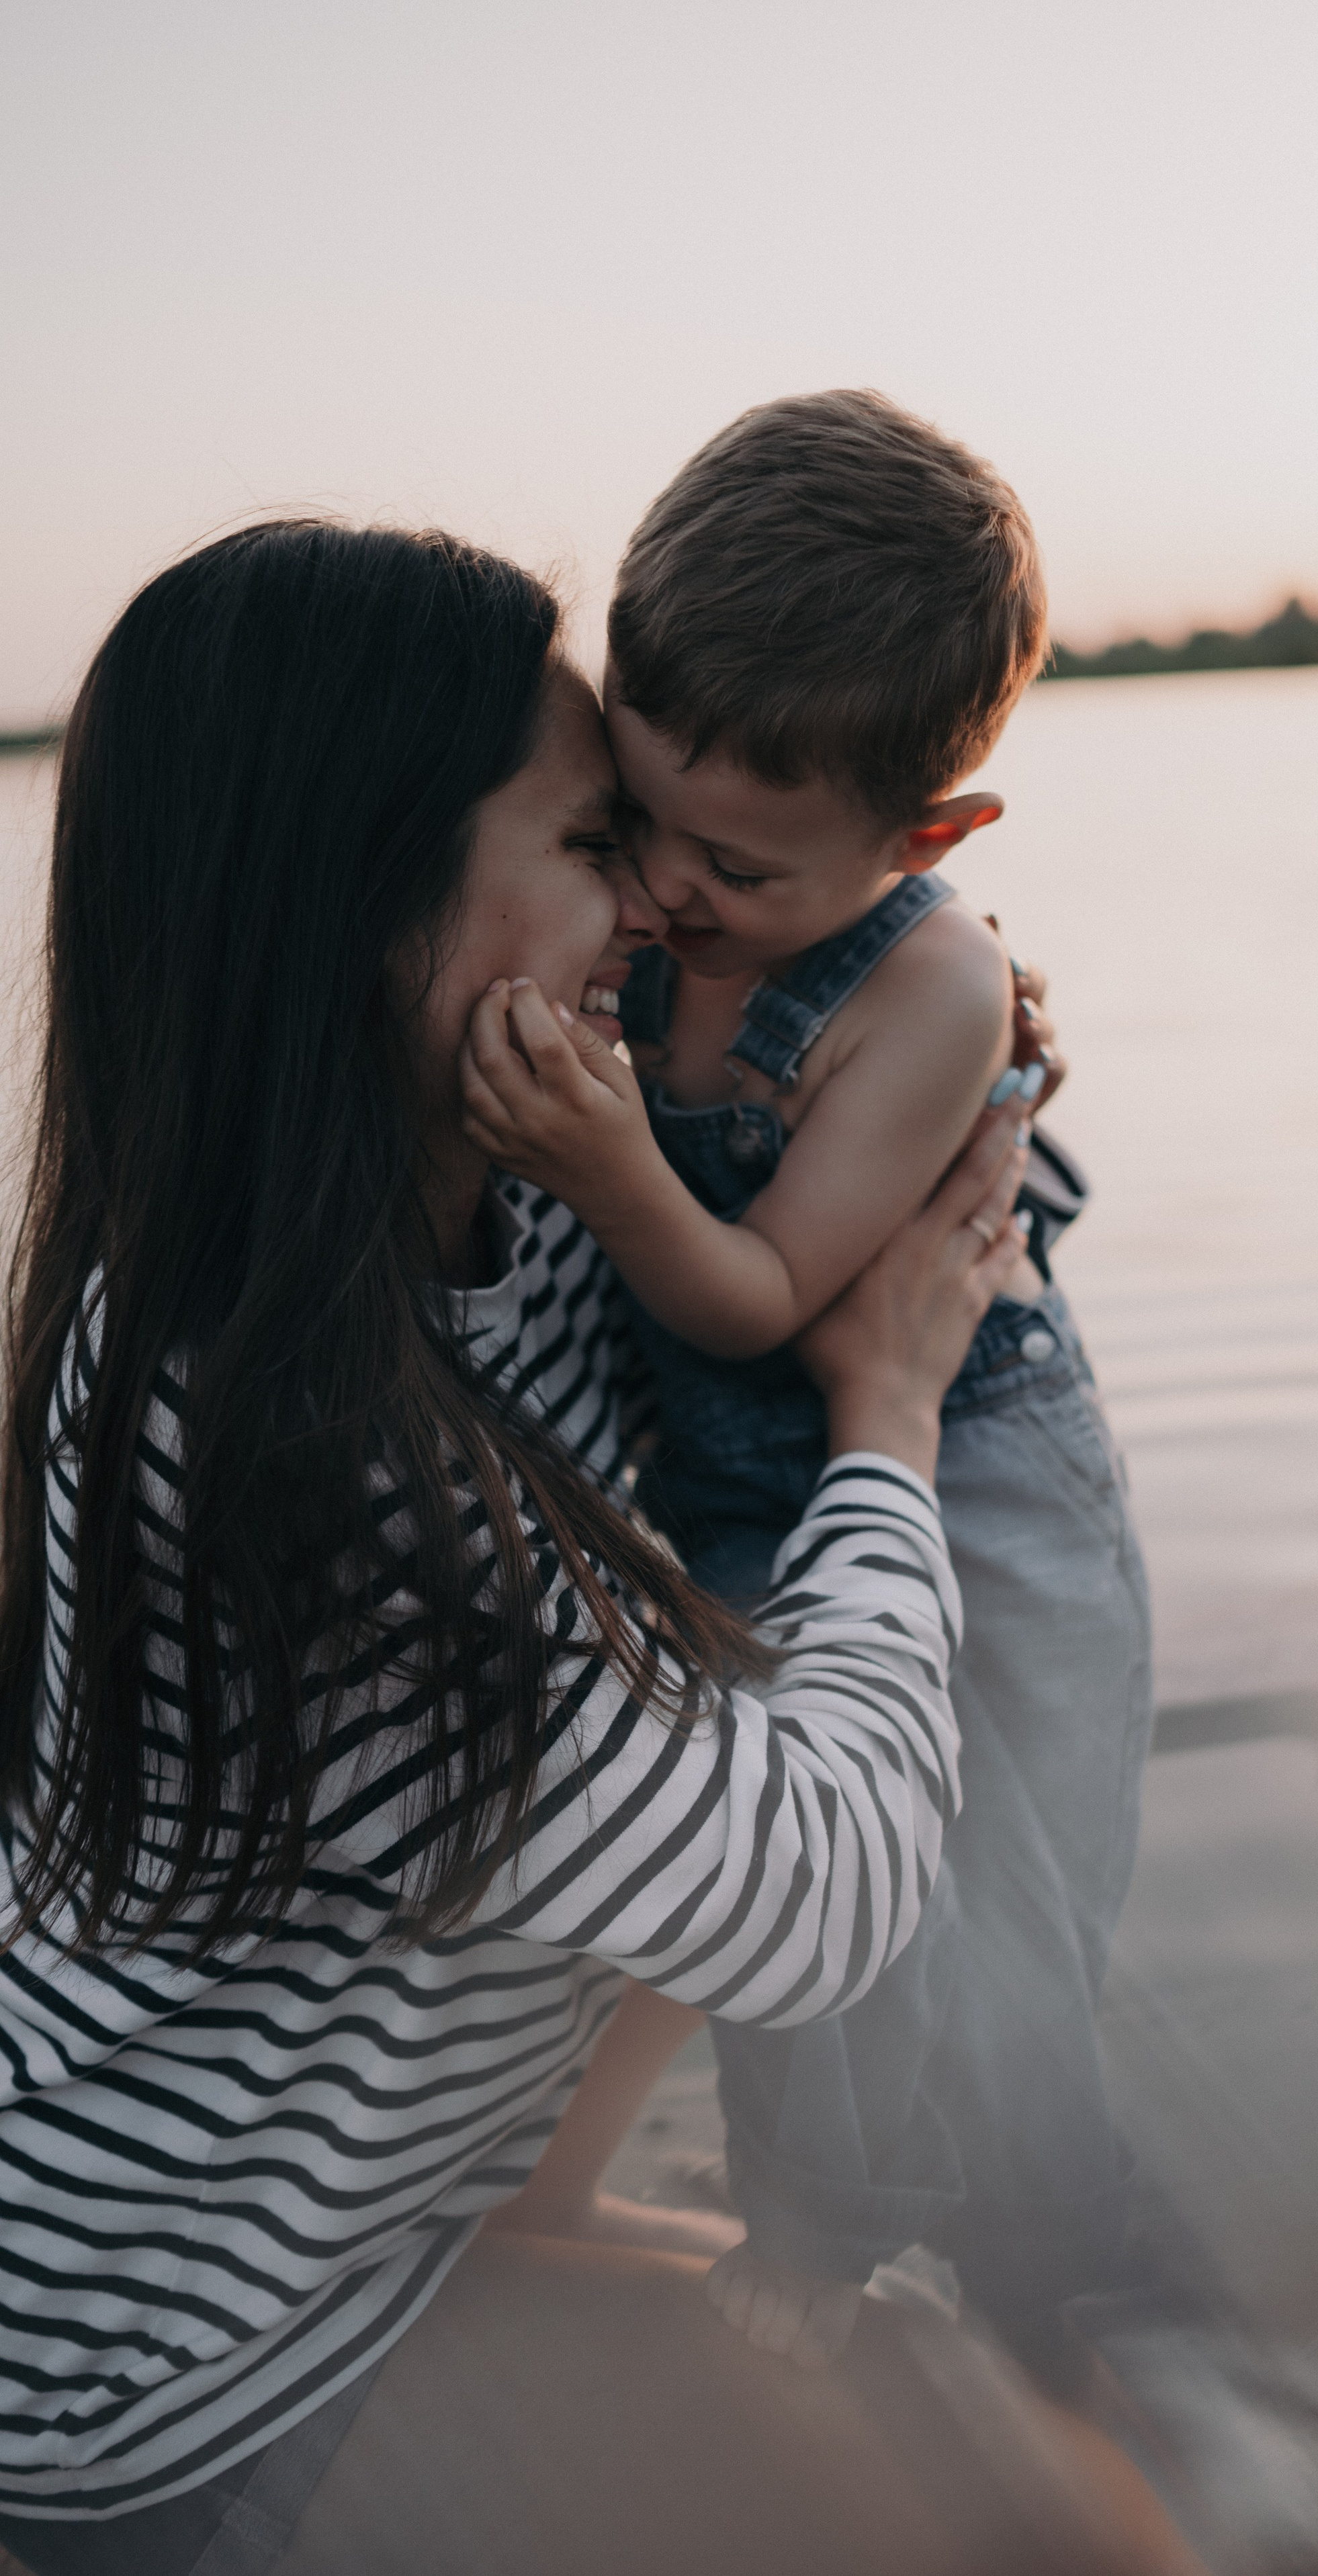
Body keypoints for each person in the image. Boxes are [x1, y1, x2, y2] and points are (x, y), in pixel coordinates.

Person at [0, 521, 1178, 2576]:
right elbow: (813, 1900)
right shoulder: (284, 1421)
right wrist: (884, 1423)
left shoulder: (500, 1199)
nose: (656, 901)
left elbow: (843, 1108)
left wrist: (929, 1018)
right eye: (593, 841)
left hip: (355, 2179)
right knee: (1034, 2523)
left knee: (967, 2425)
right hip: (169, 2330)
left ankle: (543, 2232)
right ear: (371, 911)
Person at [455, 390, 1155, 2385]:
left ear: (927, 841)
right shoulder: (663, 911)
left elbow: (763, 1297)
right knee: (814, 1858)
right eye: (632, 818)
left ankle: (1046, 2268)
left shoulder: (930, 982)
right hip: (756, 1462)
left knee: (1011, 1864)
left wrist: (606, 1156)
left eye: (736, 864)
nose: (666, 889)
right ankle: (843, 2214)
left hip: (970, 1447)